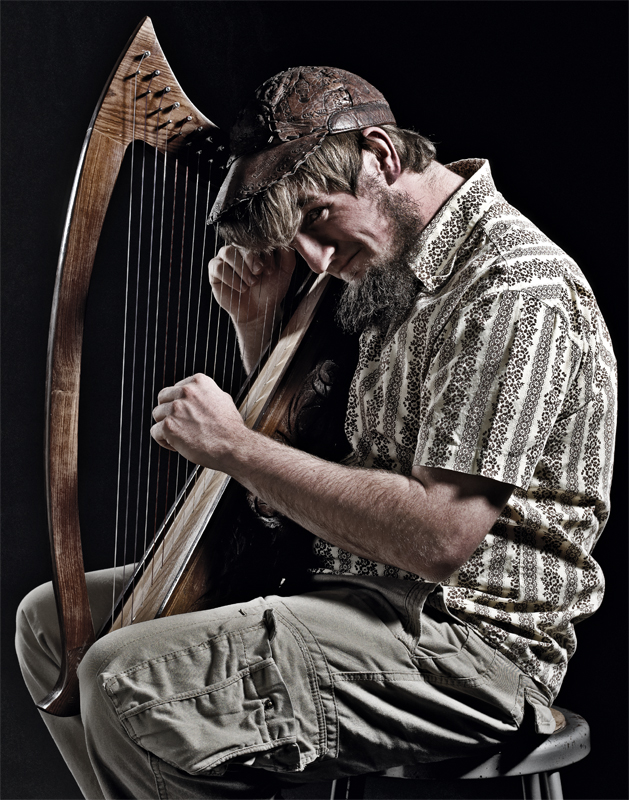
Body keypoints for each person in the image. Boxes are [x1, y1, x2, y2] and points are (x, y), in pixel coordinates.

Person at [16, 66, 616, 799]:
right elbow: (326, 469)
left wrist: (234, 446)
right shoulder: (382, 265)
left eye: (317, 216)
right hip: (341, 588)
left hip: (463, 642)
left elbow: (435, 539)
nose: (314, 258)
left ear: (383, 155)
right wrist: (259, 331)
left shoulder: (510, 289)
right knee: (51, 625)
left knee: (124, 682)